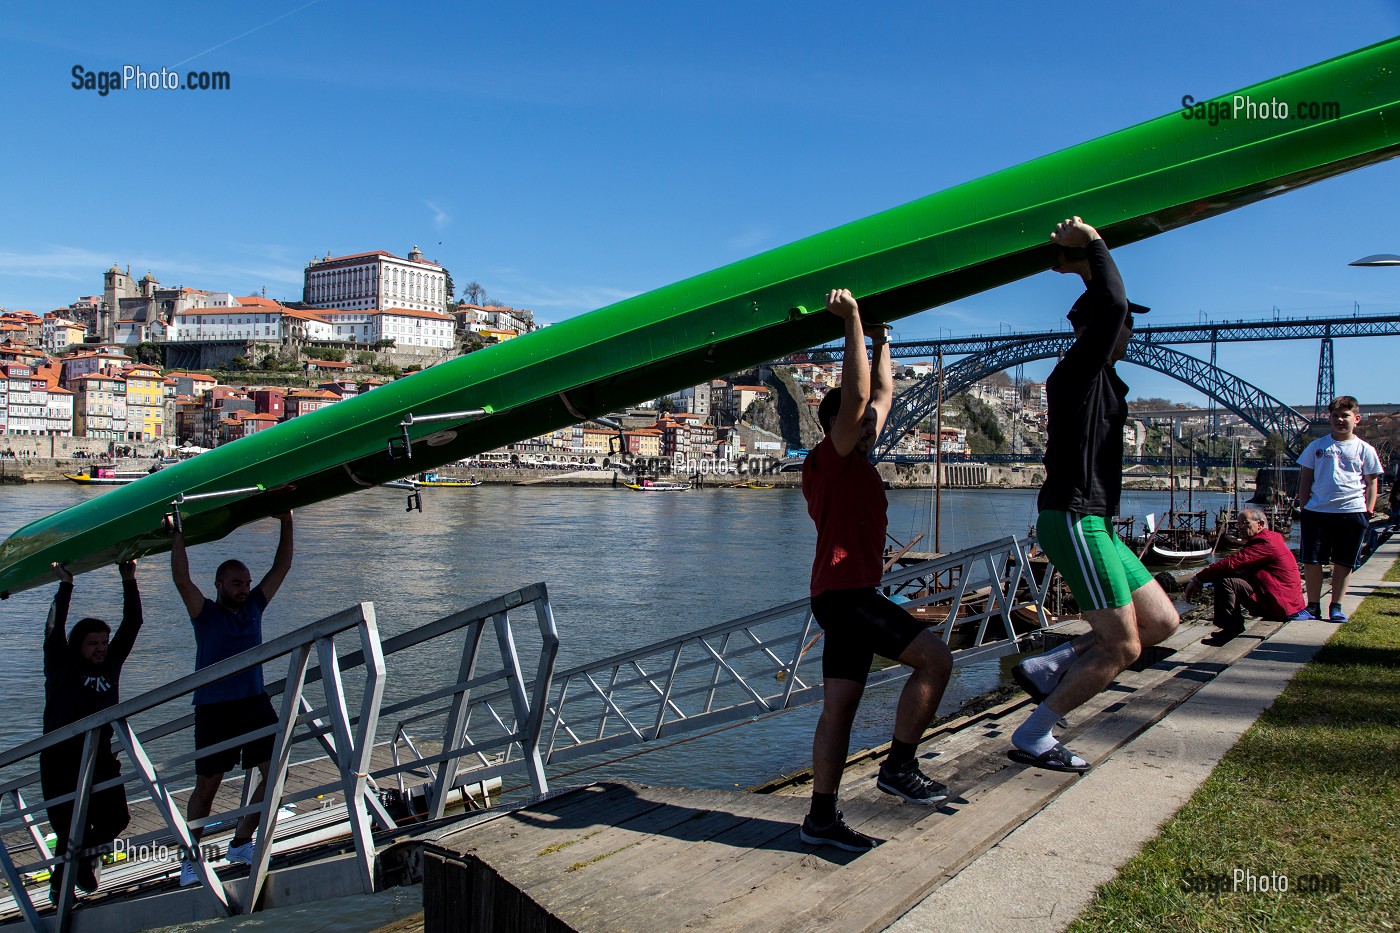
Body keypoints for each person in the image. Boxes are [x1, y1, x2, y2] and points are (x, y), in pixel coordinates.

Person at [1009, 217, 1180, 773]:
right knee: (1123, 647)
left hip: (1095, 521)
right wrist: (1094, 245)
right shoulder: (1080, 370)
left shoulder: (1098, 375)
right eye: (1126, 325)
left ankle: (1054, 660)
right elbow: (1109, 306)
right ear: (1102, 331)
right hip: (1074, 518)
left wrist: (1079, 264)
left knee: (1160, 624)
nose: (1131, 331)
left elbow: (1106, 304)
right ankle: (1035, 733)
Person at [798, 288, 954, 853]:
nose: (873, 426)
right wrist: (854, 320)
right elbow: (861, 392)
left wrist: (883, 338)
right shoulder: (830, 458)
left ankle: (819, 818)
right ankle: (900, 766)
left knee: (839, 708)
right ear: (839, 424)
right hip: (846, 594)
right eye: (862, 423)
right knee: (936, 660)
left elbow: (880, 392)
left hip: (840, 594)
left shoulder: (857, 454)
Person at [171, 512, 293, 886]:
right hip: (214, 708)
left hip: (253, 702)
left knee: (276, 773)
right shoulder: (204, 613)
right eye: (236, 583)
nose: (244, 589)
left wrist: (286, 518)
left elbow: (282, 565)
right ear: (220, 584)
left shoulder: (254, 607)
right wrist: (178, 533)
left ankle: (241, 842)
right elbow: (181, 579)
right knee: (208, 785)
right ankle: (190, 859)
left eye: (247, 583)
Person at [41, 560, 142, 902]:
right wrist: (65, 587)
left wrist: (129, 579)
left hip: (100, 755)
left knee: (117, 818)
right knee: (69, 828)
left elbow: (133, 623)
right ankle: (62, 885)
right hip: (60, 759)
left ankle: (81, 864)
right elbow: (52, 630)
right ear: (77, 645)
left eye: (104, 642)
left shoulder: (111, 664)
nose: (101, 648)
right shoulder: (62, 666)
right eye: (93, 643)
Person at [1293, 396, 1383, 623]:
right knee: (1312, 560)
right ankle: (1312, 606)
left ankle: (1336, 606)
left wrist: (1368, 510)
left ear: (1357, 419)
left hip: (1352, 511)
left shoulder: (1365, 449)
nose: (1340, 420)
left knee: (1344, 562)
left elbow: (1372, 481)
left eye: (1345, 416)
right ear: (1330, 418)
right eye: (1335, 416)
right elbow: (1305, 480)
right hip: (1317, 512)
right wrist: (1304, 508)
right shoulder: (1317, 446)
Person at [1184, 508, 1304, 645]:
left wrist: (1197, 578)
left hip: (1281, 605)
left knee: (1226, 581)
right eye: (1239, 523)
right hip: (1287, 601)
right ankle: (1230, 628)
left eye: (1245, 523)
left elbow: (1231, 563)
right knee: (1227, 576)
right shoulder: (1271, 538)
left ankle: (1231, 630)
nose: (1240, 527)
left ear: (1260, 524)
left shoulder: (1264, 542)